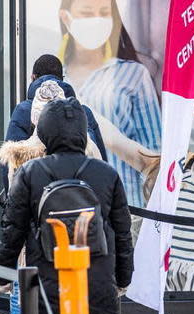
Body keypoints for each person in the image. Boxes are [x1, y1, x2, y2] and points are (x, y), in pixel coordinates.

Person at [0, 98, 133, 314]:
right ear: (83, 132)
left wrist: (2, 273)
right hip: (97, 280)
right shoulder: (106, 174)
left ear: (44, 133)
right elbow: (122, 232)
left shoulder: (31, 173)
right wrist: (123, 278)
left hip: (48, 282)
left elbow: (12, 229)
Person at [0, 79, 101, 314]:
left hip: (33, 245)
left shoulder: (20, 155)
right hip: (81, 247)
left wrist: (3, 271)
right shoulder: (91, 154)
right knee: (76, 301)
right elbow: (107, 209)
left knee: (22, 296)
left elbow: (15, 215)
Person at [97, 75, 194, 292]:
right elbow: (116, 141)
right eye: (185, 114)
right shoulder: (172, 172)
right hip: (176, 300)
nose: (192, 121)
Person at [57, 0, 162, 208]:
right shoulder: (54, 80)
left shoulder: (133, 74)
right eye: (87, 13)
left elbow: (155, 155)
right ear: (66, 18)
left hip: (124, 209)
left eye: (104, 13)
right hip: (67, 208)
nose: (96, 20)